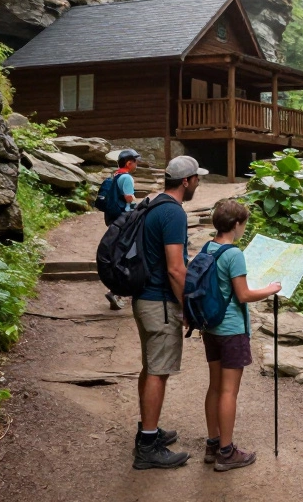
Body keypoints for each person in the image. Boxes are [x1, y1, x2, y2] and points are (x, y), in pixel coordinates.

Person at [131, 155, 208, 470]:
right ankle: (148, 447)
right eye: (197, 179)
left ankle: (147, 430)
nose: (198, 183)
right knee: (159, 372)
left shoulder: (152, 205)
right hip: (160, 302)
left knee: (150, 368)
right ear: (187, 181)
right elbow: (176, 269)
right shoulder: (173, 213)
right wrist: (188, 307)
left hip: (143, 299)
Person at [201, 200, 281, 472]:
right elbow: (244, 295)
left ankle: (212, 444)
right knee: (229, 391)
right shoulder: (234, 254)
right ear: (236, 225)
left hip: (210, 328)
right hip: (232, 330)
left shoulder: (208, 247)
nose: (244, 228)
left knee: (214, 387)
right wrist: (271, 289)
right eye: (244, 224)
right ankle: (227, 451)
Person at [103, 149, 141, 311]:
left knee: (120, 252)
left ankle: (117, 291)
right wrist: (139, 206)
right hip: (125, 219)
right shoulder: (126, 178)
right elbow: (128, 198)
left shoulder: (116, 175)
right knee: (127, 253)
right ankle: (116, 291)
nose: (137, 164)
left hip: (115, 219)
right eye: (135, 161)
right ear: (128, 163)